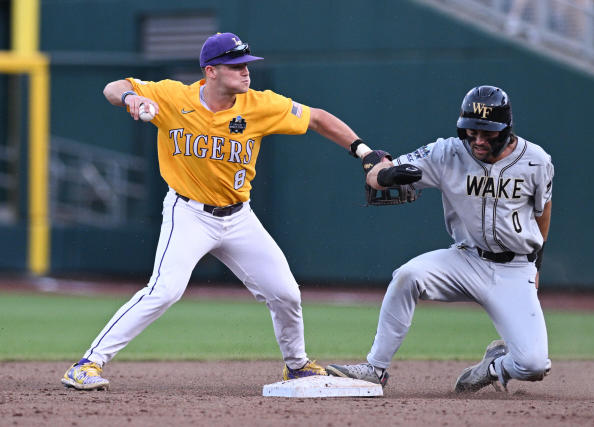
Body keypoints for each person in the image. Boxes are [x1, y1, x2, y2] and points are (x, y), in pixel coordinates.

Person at [61, 32, 369, 390]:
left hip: (239, 217)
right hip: (188, 213)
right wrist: (130, 97)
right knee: (165, 290)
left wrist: (364, 151)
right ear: (211, 71)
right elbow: (112, 88)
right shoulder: (173, 96)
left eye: (247, 65)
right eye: (236, 66)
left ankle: (297, 365)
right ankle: (87, 364)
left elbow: (317, 118)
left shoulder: (260, 105)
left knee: (286, 293)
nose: (246, 72)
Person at [326, 85, 554, 393]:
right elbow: (378, 173)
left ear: (507, 130)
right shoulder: (447, 152)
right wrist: (386, 176)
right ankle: (375, 368)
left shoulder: (536, 160)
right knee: (407, 276)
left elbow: (543, 212)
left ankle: (494, 366)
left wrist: (535, 266)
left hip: (515, 270)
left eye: (488, 134)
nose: (478, 140)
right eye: (471, 132)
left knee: (534, 365)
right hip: (466, 259)